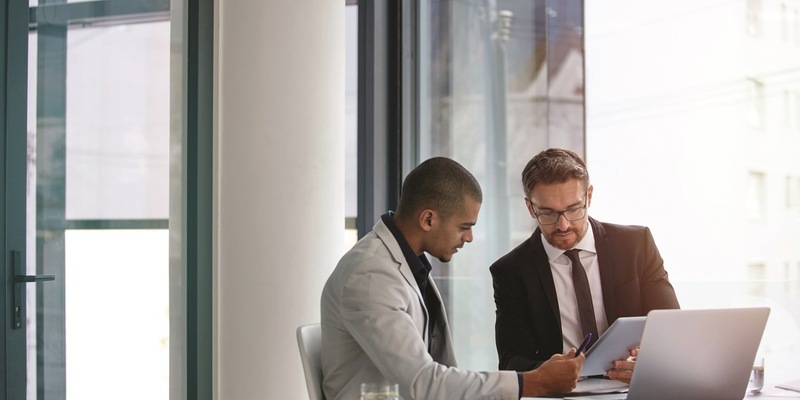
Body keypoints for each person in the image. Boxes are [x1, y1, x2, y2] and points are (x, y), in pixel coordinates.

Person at [321, 157, 584, 400]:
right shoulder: (370, 275)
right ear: (428, 219)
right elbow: (421, 382)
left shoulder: (405, 264)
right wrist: (533, 382)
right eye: (464, 227)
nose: (469, 238)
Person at [490, 148, 680, 383]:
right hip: (562, 396)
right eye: (548, 213)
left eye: (573, 209)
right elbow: (511, 360)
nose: (563, 225)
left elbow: (673, 330)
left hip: (634, 388)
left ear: (589, 196)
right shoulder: (510, 271)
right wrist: (548, 373)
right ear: (530, 208)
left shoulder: (636, 245)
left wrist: (649, 361)